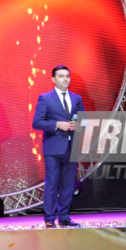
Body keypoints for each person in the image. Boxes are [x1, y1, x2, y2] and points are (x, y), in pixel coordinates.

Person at [32, 65, 85, 228]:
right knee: (52, 183)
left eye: (67, 76)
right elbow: (37, 122)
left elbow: (85, 120)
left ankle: (64, 217)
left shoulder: (76, 98)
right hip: (53, 148)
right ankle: (49, 217)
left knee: (68, 184)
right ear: (53, 79)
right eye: (61, 76)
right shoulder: (45, 98)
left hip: (71, 146)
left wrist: (78, 125)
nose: (65, 79)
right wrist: (57, 125)